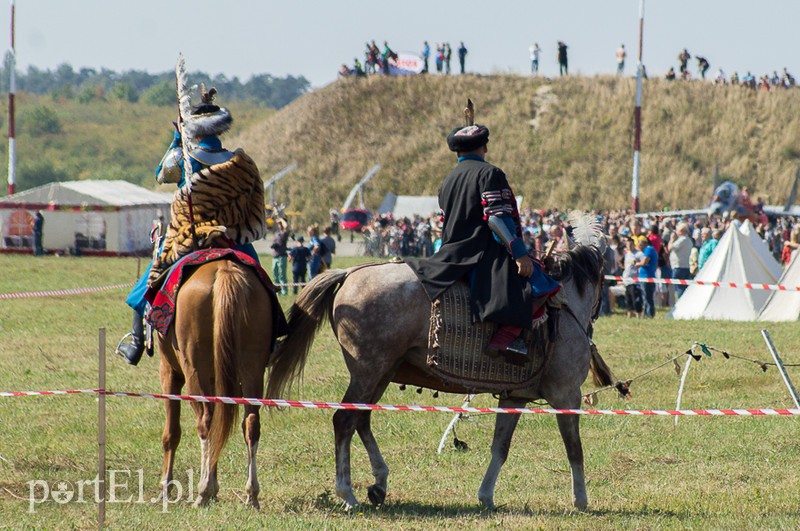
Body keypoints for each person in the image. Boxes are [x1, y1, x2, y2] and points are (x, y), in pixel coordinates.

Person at [117, 85, 266, 366]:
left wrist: (176, 139)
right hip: (231, 238)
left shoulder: (183, 158)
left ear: (192, 130)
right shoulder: (240, 161)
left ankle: (136, 341)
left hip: (191, 238)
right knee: (262, 281)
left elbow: (161, 175)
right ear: (219, 129)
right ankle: (270, 339)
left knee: (144, 288)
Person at [407, 100, 560, 365]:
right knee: (543, 285)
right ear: (485, 146)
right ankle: (505, 339)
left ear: (457, 152)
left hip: (449, 251)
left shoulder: (448, 179)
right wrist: (520, 254)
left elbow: (445, 222)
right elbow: (496, 220)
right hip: (481, 252)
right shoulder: (490, 174)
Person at [668, 222, 693, 298]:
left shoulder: (682, 240)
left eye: (677, 230)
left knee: (679, 288)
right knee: (683, 287)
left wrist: (671, 239)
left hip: (678, 266)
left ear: (682, 231)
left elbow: (670, 248)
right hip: (685, 266)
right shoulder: (688, 240)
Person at [635, 237, 658, 318]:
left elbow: (644, 262)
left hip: (647, 277)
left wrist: (636, 264)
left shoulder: (648, 249)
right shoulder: (649, 250)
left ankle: (649, 314)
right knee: (646, 297)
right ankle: (646, 314)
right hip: (646, 277)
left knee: (647, 298)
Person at [622, 238, 643, 318]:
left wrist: (637, 264)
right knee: (628, 300)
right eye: (628, 245)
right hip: (627, 280)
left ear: (633, 245)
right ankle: (629, 315)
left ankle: (639, 316)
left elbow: (645, 261)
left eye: (631, 245)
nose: (629, 246)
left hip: (635, 281)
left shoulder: (638, 254)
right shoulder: (627, 254)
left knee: (636, 300)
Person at [271, 218, 290, 295]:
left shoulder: (284, 233)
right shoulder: (277, 233)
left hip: (282, 256)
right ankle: (278, 291)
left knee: (282, 274)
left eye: (280, 223)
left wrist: (282, 219)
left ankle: (284, 291)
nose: (279, 225)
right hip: (275, 255)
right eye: (278, 224)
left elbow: (287, 227)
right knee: (275, 274)